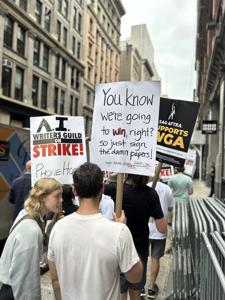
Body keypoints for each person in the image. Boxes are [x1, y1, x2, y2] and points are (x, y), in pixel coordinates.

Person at [48, 162, 143, 300]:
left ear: (74, 190)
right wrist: (125, 231)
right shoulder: (119, 232)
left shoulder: (58, 228)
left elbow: (55, 279)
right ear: (102, 188)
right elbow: (135, 277)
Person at [104, 174, 166, 300]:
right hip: (139, 251)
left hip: (118, 248)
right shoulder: (151, 195)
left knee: (120, 290)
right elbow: (162, 228)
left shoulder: (117, 190)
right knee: (136, 290)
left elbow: (95, 187)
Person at [0, 177, 62, 300]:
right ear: (43, 197)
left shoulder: (27, 214)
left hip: (10, 288)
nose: (61, 200)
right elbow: (26, 279)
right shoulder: (31, 230)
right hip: (15, 293)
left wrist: (51, 227)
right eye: (57, 196)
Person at [147, 179, 173, 299]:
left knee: (141, 257)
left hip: (144, 228)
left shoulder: (144, 187)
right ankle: (151, 288)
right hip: (160, 228)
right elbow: (170, 208)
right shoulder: (166, 189)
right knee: (155, 258)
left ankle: (140, 287)